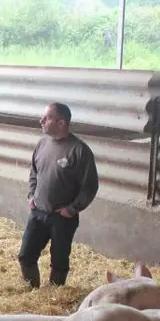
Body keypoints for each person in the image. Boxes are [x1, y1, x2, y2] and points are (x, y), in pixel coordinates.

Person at [18, 102, 99, 288]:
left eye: (46, 118)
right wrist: (31, 195)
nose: (41, 121)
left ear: (61, 122)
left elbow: (90, 186)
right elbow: (34, 172)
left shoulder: (79, 150)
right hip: (38, 211)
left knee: (59, 261)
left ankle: (54, 297)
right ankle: (32, 291)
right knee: (25, 255)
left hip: (62, 217)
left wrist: (72, 209)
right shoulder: (42, 143)